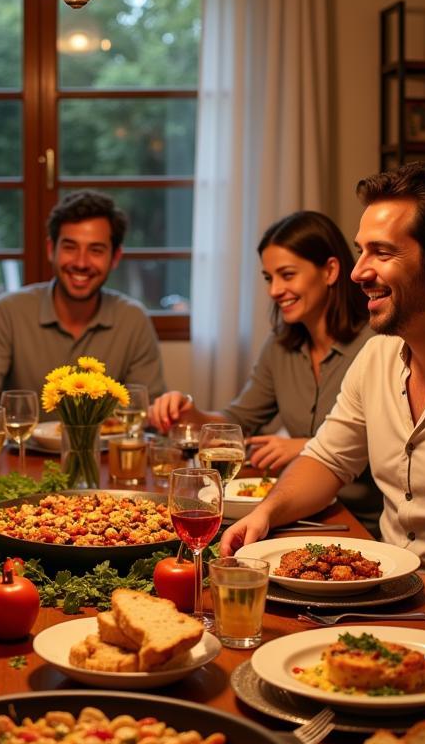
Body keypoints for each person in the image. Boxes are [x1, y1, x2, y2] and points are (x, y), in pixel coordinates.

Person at [221, 162, 425, 595]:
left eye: (381, 253)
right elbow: (327, 460)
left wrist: (417, 594)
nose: (358, 272)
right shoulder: (377, 355)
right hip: (390, 593)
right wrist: (264, 514)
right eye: (361, 251)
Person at [149, 210, 380, 529]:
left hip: (361, 521)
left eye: (287, 275)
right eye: (269, 278)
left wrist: (303, 447)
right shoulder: (280, 347)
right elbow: (239, 423)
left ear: (329, 271)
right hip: (302, 514)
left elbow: (392, 443)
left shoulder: (377, 345)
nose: (274, 291)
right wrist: (191, 413)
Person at [0, 190, 166, 424]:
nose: (81, 263)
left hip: (103, 458)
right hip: (23, 456)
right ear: (52, 249)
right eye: (70, 247)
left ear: (115, 257)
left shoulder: (133, 318)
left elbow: (148, 406)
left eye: (96, 250)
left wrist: (164, 409)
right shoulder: (8, 311)